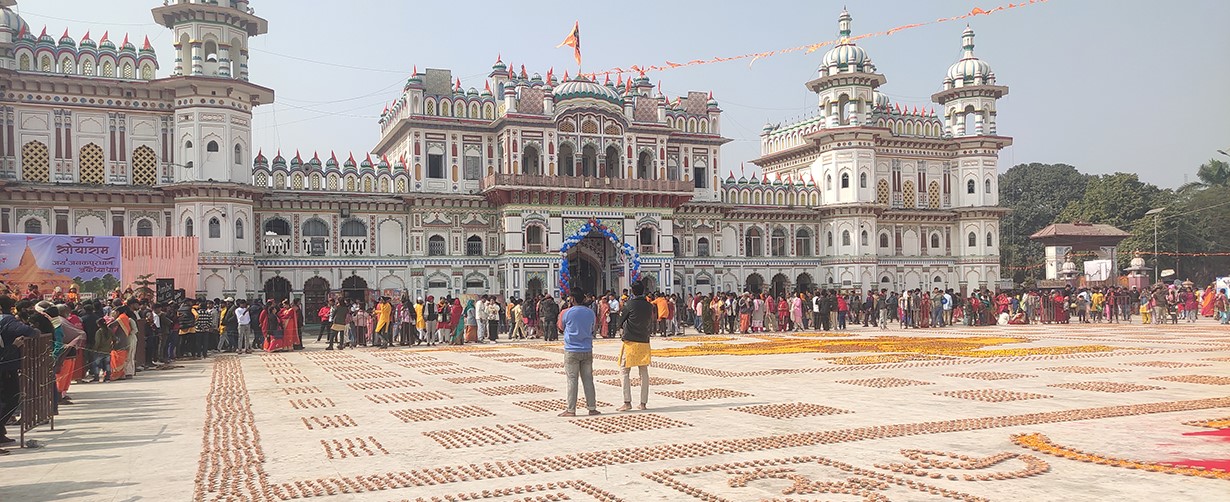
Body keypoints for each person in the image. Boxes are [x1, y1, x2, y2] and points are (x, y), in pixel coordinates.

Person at [0, 296, 37, 453]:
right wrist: (14, 346)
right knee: (11, 399)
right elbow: (30, 332)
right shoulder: (8, 321)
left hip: (6, 365)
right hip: (6, 367)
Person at [558, 289, 600, 417]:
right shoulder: (590, 312)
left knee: (572, 380)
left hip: (572, 349)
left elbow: (561, 327)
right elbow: (594, 328)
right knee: (588, 379)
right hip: (587, 348)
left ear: (572, 299)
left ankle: (571, 409)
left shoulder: (567, 313)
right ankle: (592, 407)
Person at [617, 280, 653, 412]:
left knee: (625, 370)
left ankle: (627, 402)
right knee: (643, 372)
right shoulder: (649, 306)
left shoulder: (629, 304)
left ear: (632, 291)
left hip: (631, 341)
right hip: (644, 340)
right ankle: (643, 403)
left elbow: (621, 321)